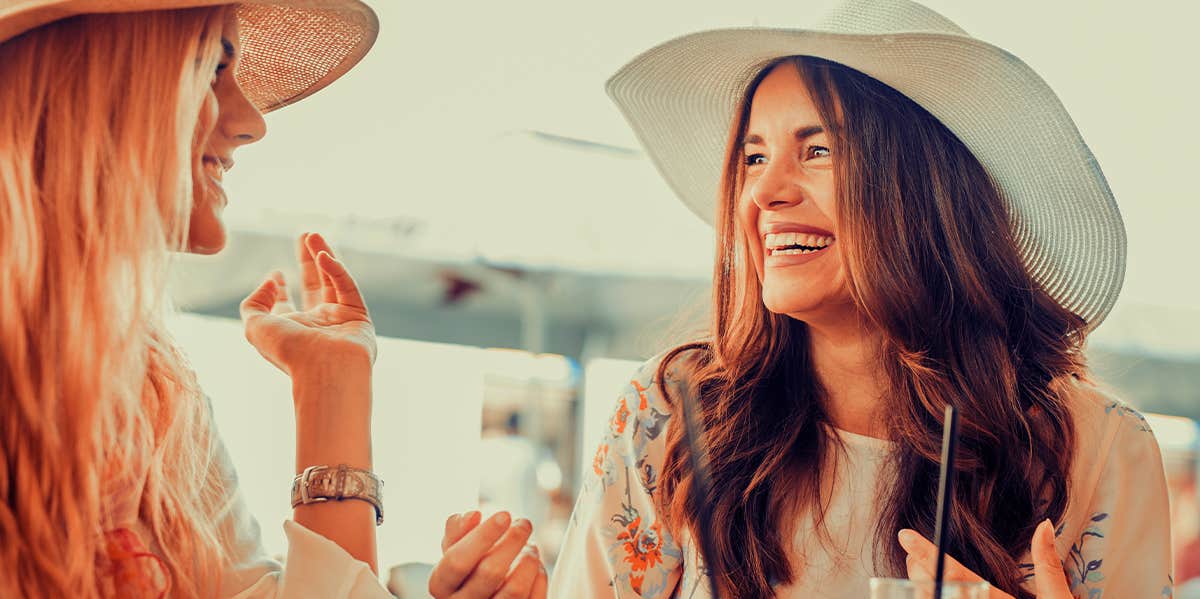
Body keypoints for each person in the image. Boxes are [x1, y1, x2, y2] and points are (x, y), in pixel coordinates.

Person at [432, 0, 1173, 598]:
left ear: (926, 189)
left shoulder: (1097, 447)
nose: (764, 191)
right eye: (753, 156)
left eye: (817, 150)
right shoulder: (667, 412)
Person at [0, 1, 535, 596]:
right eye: (211, 69)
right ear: (79, 82)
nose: (253, 121)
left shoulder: (149, 383)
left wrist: (332, 383)